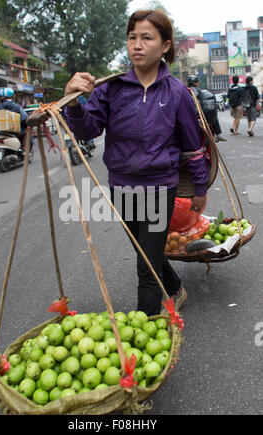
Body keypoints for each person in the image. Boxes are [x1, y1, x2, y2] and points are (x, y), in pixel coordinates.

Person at [62, 10, 210, 316]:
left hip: (160, 188)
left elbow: (192, 147)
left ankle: (146, 330)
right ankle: (176, 289)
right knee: (146, 251)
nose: (137, 45)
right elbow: (88, 129)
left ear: (165, 45)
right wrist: (73, 102)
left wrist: (200, 188)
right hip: (121, 187)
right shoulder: (111, 88)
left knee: (146, 267)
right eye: (132, 38)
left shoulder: (177, 93)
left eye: (146, 38)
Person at [187, 76, 227, 142]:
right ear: (195, 83)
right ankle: (216, 134)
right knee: (212, 116)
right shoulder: (200, 91)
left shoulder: (184, 90)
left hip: (188, 114)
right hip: (198, 115)